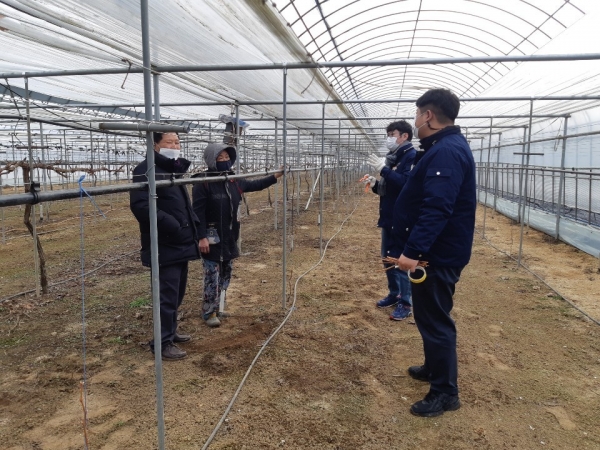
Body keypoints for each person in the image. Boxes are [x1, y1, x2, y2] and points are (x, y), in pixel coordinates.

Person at [388, 88, 476, 417]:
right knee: (428, 316)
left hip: (436, 256)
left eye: (417, 115)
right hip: (435, 252)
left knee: (436, 320)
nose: (415, 121)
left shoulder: (447, 151)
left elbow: (437, 208)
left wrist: (413, 251)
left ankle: (445, 392)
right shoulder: (443, 148)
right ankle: (433, 368)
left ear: (428, 115)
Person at [192, 143, 283, 327]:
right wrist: (201, 237)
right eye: (220, 158)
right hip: (211, 237)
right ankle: (209, 312)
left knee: (226, 272)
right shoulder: (203, 183)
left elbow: (256, 185)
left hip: (229, 235)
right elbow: (198, 213)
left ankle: (219, 305)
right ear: (211, 160)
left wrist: (275, 176)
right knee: (212, 274)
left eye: (227, 157)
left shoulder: (234, 180)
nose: (225, 161)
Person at [130, 132, 201, 361]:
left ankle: (170, 332)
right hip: (165, 243)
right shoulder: (146, 170)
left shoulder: (172, 170)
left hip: (180, 242)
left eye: (177, 142)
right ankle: (162, 343)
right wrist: (174, 226)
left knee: (176, 293)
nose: (175, 145)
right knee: (166, 296)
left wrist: (191, 227)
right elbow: (141, 206)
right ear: (155, 145)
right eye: (169, 142)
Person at [365, 120, 416, 321]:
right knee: (387, 257)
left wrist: (384, 170)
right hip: (388, 216)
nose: (389, 138)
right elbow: (391, 188)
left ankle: (406, 302)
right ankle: (394, 294)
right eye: (387, 134)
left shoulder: (411, 157)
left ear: (404, 136)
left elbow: (406, 184)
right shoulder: (394, 158)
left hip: (402, 219)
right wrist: (376, 184)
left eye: (392, 134)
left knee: (399, 260)